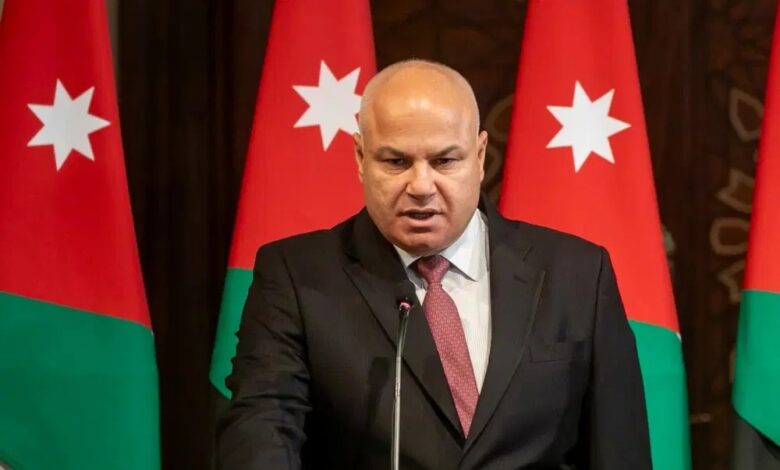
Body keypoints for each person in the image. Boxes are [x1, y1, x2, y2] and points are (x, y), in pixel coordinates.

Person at [216, 60, 651, 469]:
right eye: (396, 162)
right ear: (360, 158)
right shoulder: (296, 277)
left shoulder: (577, 275)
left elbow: (618, 450)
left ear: (479, 155)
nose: (421, 186)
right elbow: (261, 434)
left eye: (444, 161)